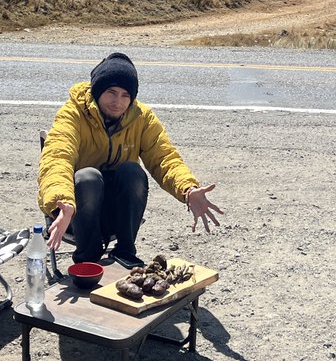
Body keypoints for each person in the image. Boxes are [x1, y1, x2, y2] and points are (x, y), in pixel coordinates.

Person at [37, 52, 223, 267]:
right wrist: (63, 202)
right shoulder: (73, 113)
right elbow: (57, 157)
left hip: (117, 215)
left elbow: (164, 157)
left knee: (132, 172)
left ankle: (125, 251)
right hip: (75, 215)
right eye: (111, 92)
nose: (118, 102)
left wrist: (188, 189)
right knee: (88, 177)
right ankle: (87, 260)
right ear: (97, 90)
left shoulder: (141, 117)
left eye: (125, 95)